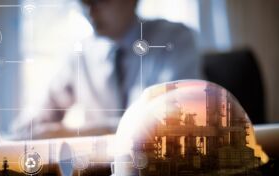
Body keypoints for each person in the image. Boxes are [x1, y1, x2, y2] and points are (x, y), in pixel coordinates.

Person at [13, 0, 202, 139]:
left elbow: (171, 118)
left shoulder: (174, 39)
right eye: (83, 2)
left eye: (100, 1)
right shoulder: (81, 54)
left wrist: (73, 134)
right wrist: (12, 137)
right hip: (98, 171)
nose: (89, 10)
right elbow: (42, 111)